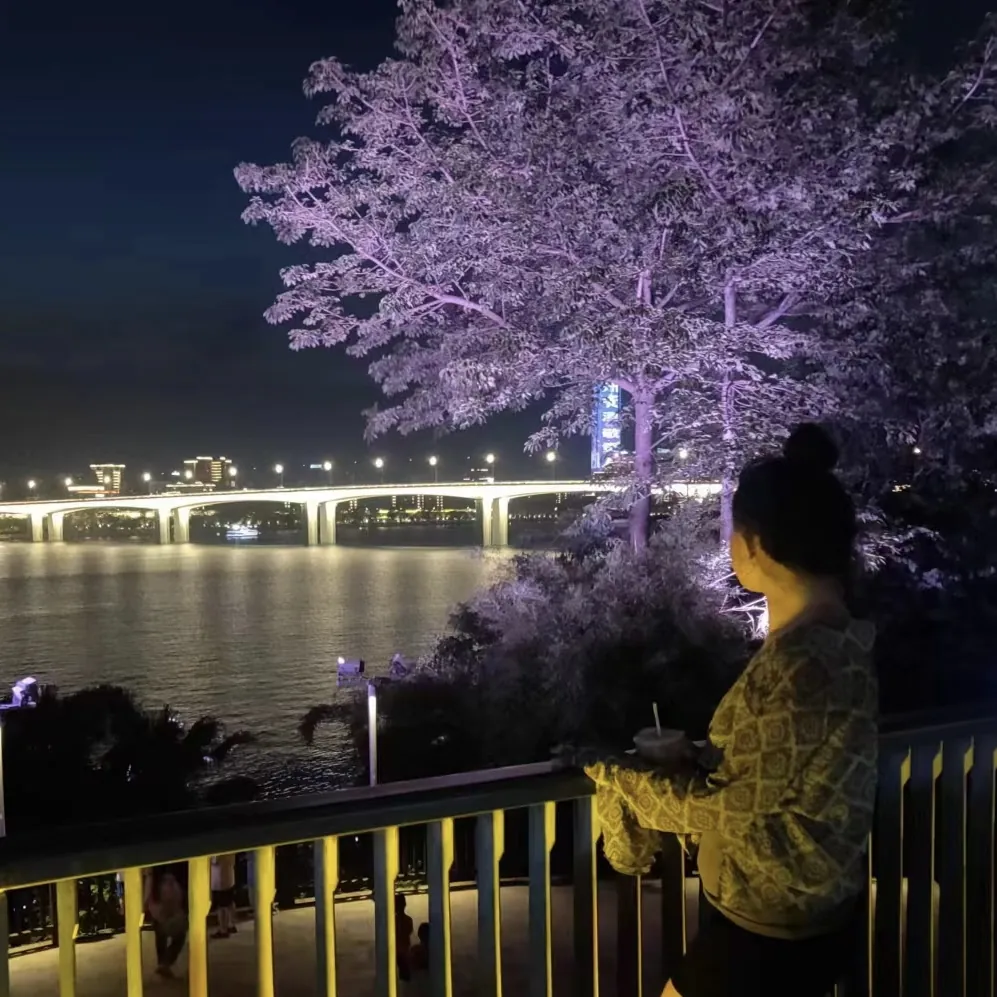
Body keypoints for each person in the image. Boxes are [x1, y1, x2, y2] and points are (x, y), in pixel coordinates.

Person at [585, 424, 877, 997]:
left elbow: (727, 806)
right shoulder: (839, 641)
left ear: (755, 544)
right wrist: (695, 759)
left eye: (734, 532)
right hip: (807, 912)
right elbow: (775, 773)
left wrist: (616, 774)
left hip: (771, 930)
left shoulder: (804, 665)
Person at [144, 868, 188, 979]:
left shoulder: (153, 876)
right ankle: (165, 963)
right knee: (179, 936)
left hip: (157, 904)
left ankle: (163, 963)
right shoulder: (170, 880)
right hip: (167, 904)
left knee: (160, 935)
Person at [210, 853, 237, 939]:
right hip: (229, 877)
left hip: (220, 879)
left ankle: (223, 930)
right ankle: (232, 924)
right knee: (230, 902)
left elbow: (214, 860)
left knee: (221, 906)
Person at [395, 894, 414, 982]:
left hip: (399, 950)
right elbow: (409, 932)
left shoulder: (393, 921)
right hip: (404, 949)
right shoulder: (408, 920)